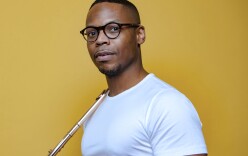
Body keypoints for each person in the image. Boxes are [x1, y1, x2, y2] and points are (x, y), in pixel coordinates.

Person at [79, 0, 208, 155]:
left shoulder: (167, 104)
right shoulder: (94, 111)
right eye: (92, 33)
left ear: (139, 35)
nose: (100, 40)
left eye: (113, 29)